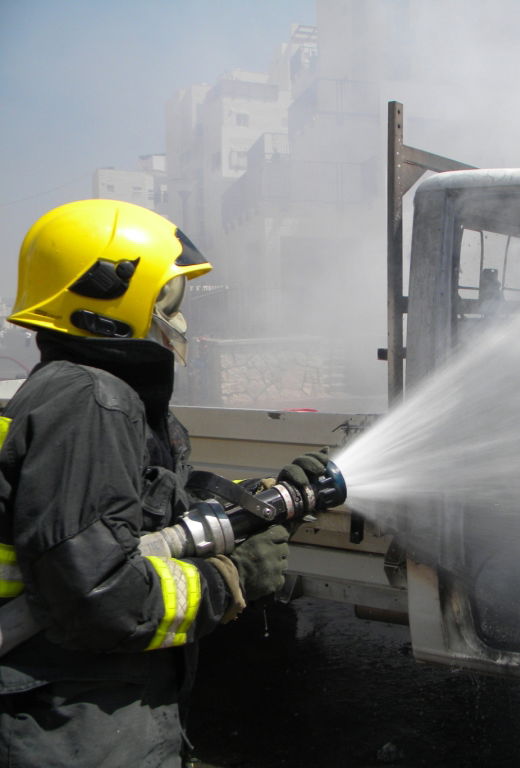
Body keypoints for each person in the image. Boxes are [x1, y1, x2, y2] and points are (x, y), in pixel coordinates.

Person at [0, 199, 323, 767]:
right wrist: (230, 579)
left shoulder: (89, 396)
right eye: (167, 300)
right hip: (75, 725)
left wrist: (262, 500)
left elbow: (139, 521)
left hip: (90, 712)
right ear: (106, 301)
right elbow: (99, 601)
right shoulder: (91, 402)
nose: (180, 321)